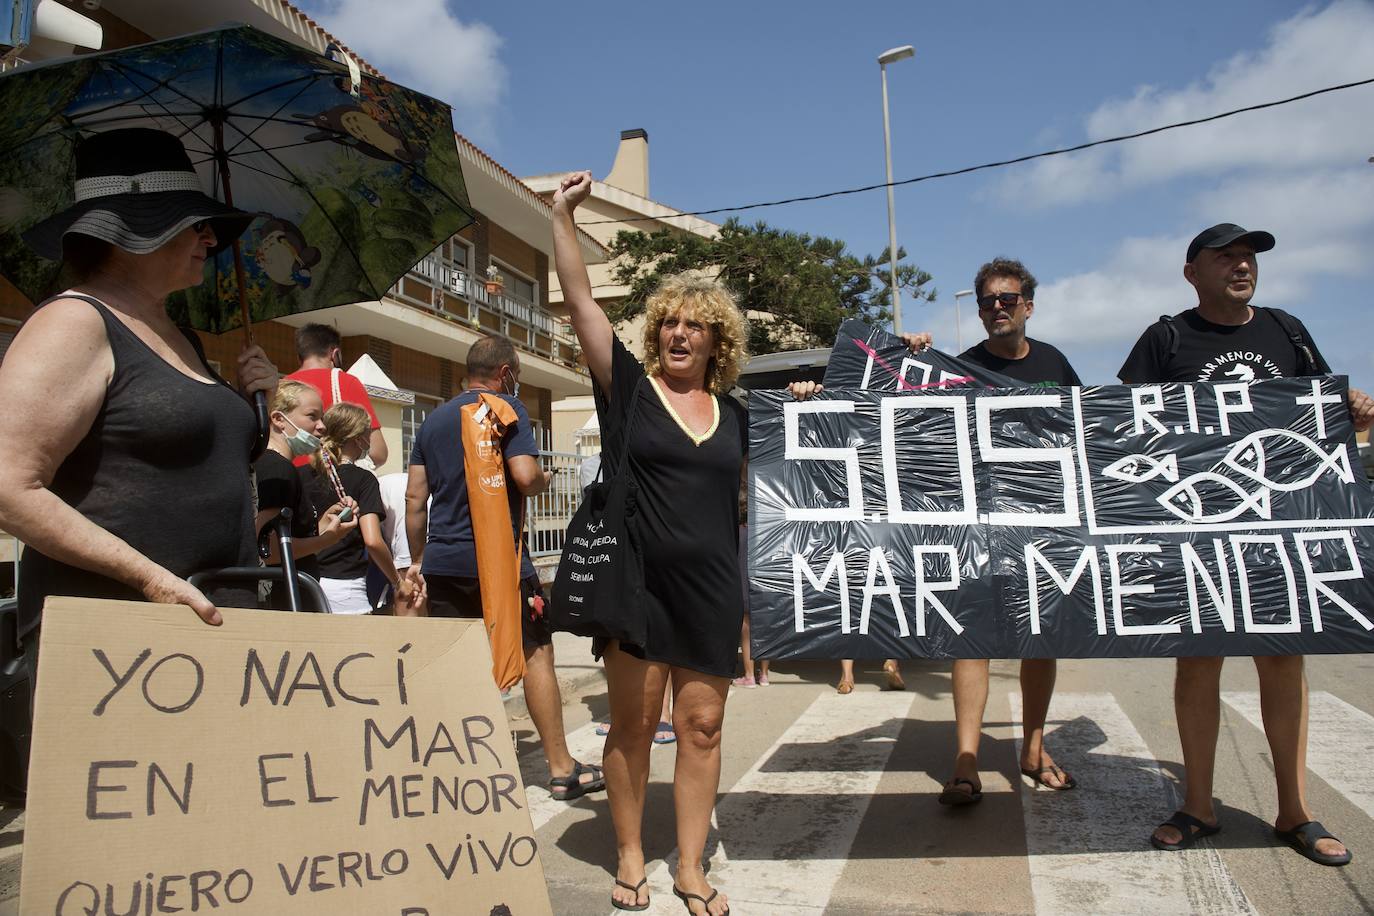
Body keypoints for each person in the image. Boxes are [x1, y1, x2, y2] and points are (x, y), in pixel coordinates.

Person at [1119, 223, 1374, 865]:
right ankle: (1198, 806)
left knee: (1283, 662)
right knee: (1198, 662)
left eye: (1249, 257)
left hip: (1276, 531)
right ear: (1192, 272)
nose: (1241, 265)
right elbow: (1120, 424)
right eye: (1226, 256)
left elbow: (1321, 414)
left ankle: (1295, 811)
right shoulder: (1166, 338)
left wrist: (1356, 417)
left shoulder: (1287, 330)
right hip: (1197, 531)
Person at [0, 128, 277, 673]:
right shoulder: (74, 321)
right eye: (195, 224)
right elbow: (9, 485)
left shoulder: (182, 335)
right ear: (137, 227)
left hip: (203, 635)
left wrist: (252, 406)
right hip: (113, 647)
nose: (211, 240)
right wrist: (152, 579)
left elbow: (188, 466)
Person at [555, 171, 748, 916]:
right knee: (634, 726)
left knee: (701, 727)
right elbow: (579, 305)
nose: (678, 334)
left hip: (709, 591)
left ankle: (691, 864)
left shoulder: (737, 416)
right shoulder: (631, 394)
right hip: (635, 591)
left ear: (715, 340)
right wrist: (562, 217)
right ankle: (632, 850)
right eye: (669, 323)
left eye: (694, 326)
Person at [904, 257, 1080, 806]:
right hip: (977, 526)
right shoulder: (959, 367)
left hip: (1044, 523)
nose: (998, 308)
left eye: (1007, 299)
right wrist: (909, 362)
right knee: (970, 639)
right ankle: (966, 759)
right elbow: (911, 422)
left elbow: (1086, 431)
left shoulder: (1055, 362)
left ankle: (1033, 747)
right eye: (988, 302)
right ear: (979, 312)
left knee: (1040, 639)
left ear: (1028, 304)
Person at [403, 335, 606, 802]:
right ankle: (560, 768)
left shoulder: (434, 420)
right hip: (502, 561)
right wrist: (545, 477)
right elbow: (523, 476)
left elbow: (416, 497)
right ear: (507, 372)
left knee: (457, 662)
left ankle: (457, 768)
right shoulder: (507, 410)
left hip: (444, 561)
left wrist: (418, 558)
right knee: (536, 653)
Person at [254, 380, 358, 609]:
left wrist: (325, 524)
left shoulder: (280, 467)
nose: (322, 426)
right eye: (312, 416)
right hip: (284, 601)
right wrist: (325, 541)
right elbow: (268, 550)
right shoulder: (277, 469)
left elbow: (288, 536)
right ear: (279, 419)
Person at [305, 403, 406, 614]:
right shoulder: (364, 479)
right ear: (358, 438)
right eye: (368, 433)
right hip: (346, 588)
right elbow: (372, 541)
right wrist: (398, 582)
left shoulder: (300, 475)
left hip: (304, 581)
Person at [286, 322, 388, 467]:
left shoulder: (280, 387)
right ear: (335, 354)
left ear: (299, 357)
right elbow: (378, 453)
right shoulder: (346, 382)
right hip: (332, 479)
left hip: (287, 480)